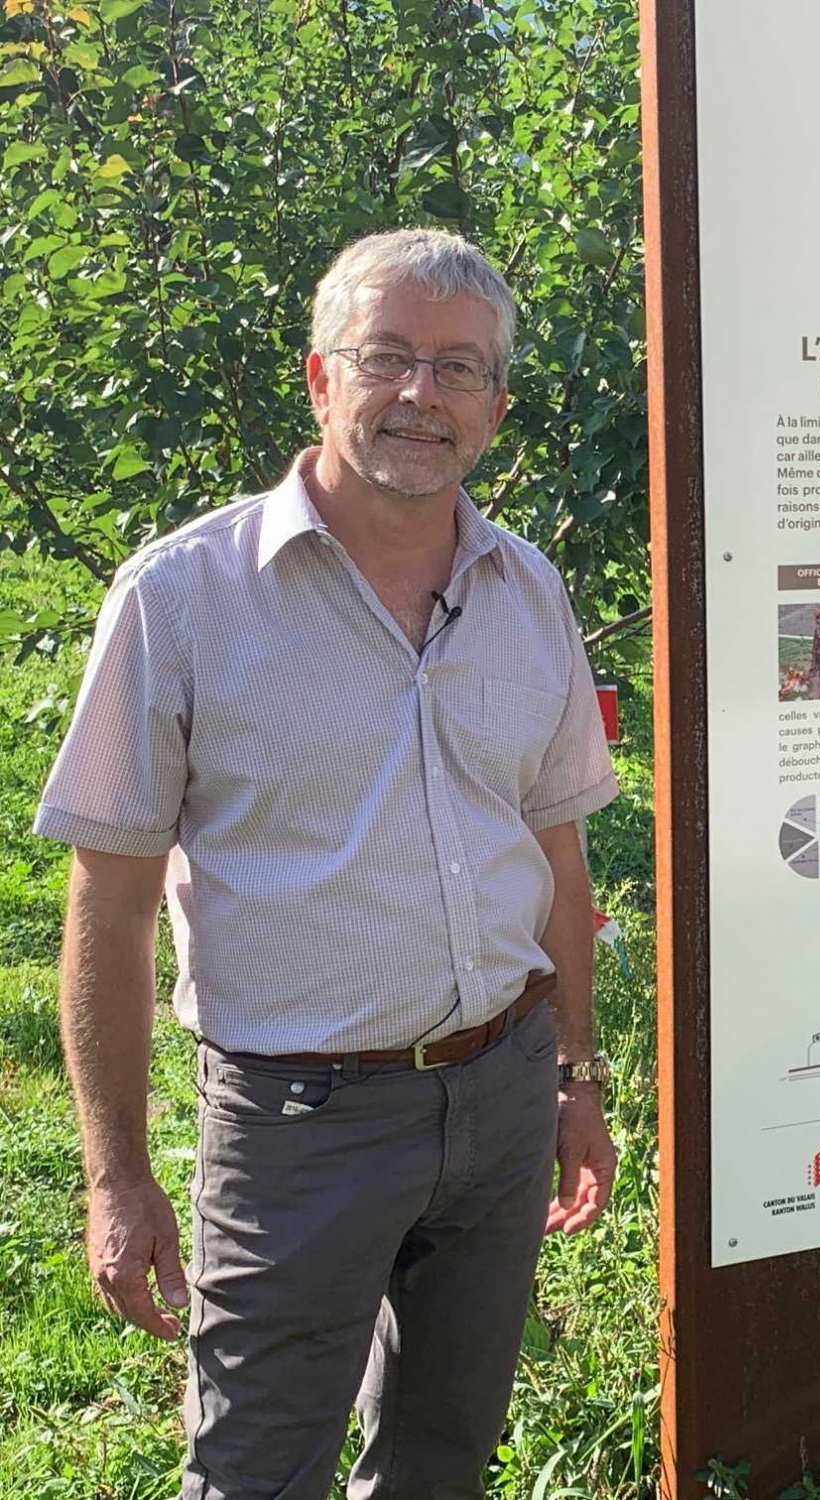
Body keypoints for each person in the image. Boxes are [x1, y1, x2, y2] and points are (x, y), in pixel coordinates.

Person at [36, 228, 622, 1499]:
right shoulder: (183, 598)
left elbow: (557, 859)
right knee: (257, 1470)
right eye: (388, 358)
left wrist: (578, 1077)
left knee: (441, 1460)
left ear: (496, 405)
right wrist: (117, 1175)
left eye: (458, 369)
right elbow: (112, 908)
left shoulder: (528, 591)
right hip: (300, 1121)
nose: (422, 395)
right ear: (318, 377)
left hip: (504, 1091)